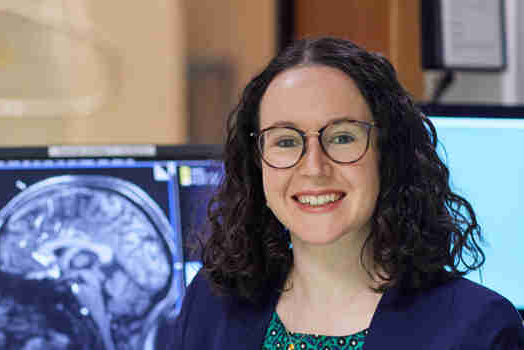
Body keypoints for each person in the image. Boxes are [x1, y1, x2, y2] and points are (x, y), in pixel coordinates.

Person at [172, 37, 524, 349]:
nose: (313, 167)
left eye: (342, 137)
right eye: (286, 141)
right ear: (257, 163)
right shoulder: (211, 306)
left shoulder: (478, 329)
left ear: (387, 153)